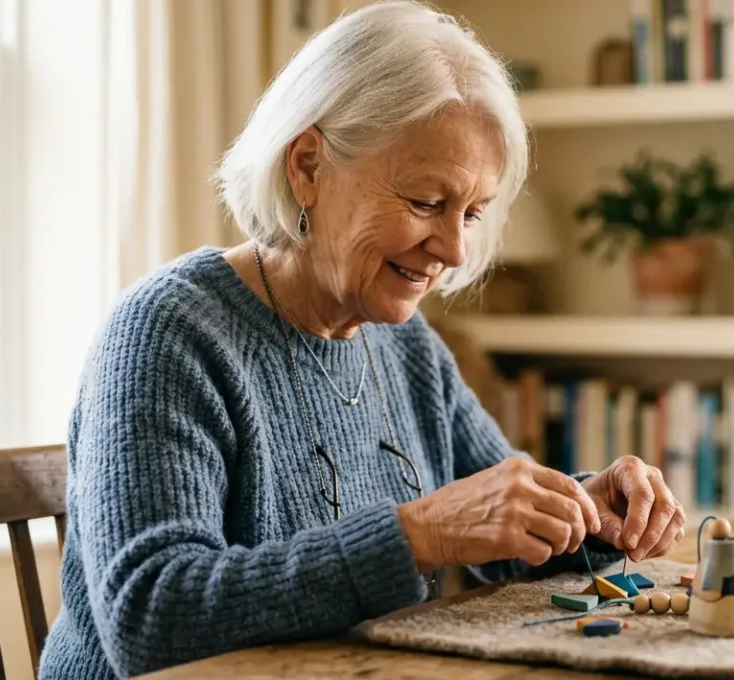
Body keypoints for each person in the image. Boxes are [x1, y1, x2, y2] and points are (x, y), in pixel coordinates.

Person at [37, 2, 687, 678]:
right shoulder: (168, 331)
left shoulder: (407, 349)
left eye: (471, 212)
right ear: (309, 166)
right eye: (426, 204)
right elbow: (151, 617)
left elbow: (500, 533)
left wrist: (590, 513)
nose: (456, 249)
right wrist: (419, 535)